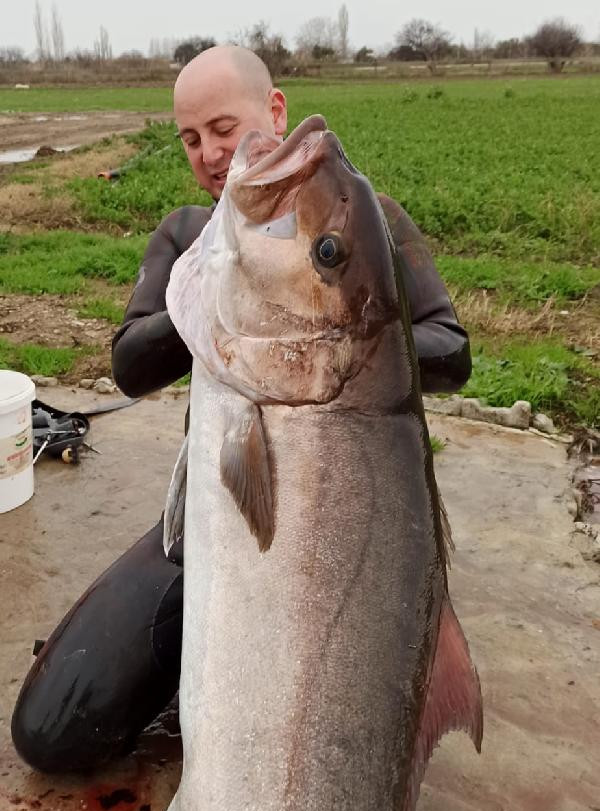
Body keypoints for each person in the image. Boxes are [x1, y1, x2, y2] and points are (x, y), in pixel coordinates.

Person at [11, 46, 472, 773]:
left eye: (223, 127)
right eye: (190, 138)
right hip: (219, 510)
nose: (210, 152)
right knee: (54, 728)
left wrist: (328, 336)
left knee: (351, 728)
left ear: (275, 111)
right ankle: (206, 666)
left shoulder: (362, 226)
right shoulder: (189, 234)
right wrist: (220, 312)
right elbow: (130, 365)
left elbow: (451, 347)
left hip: (343, 510)